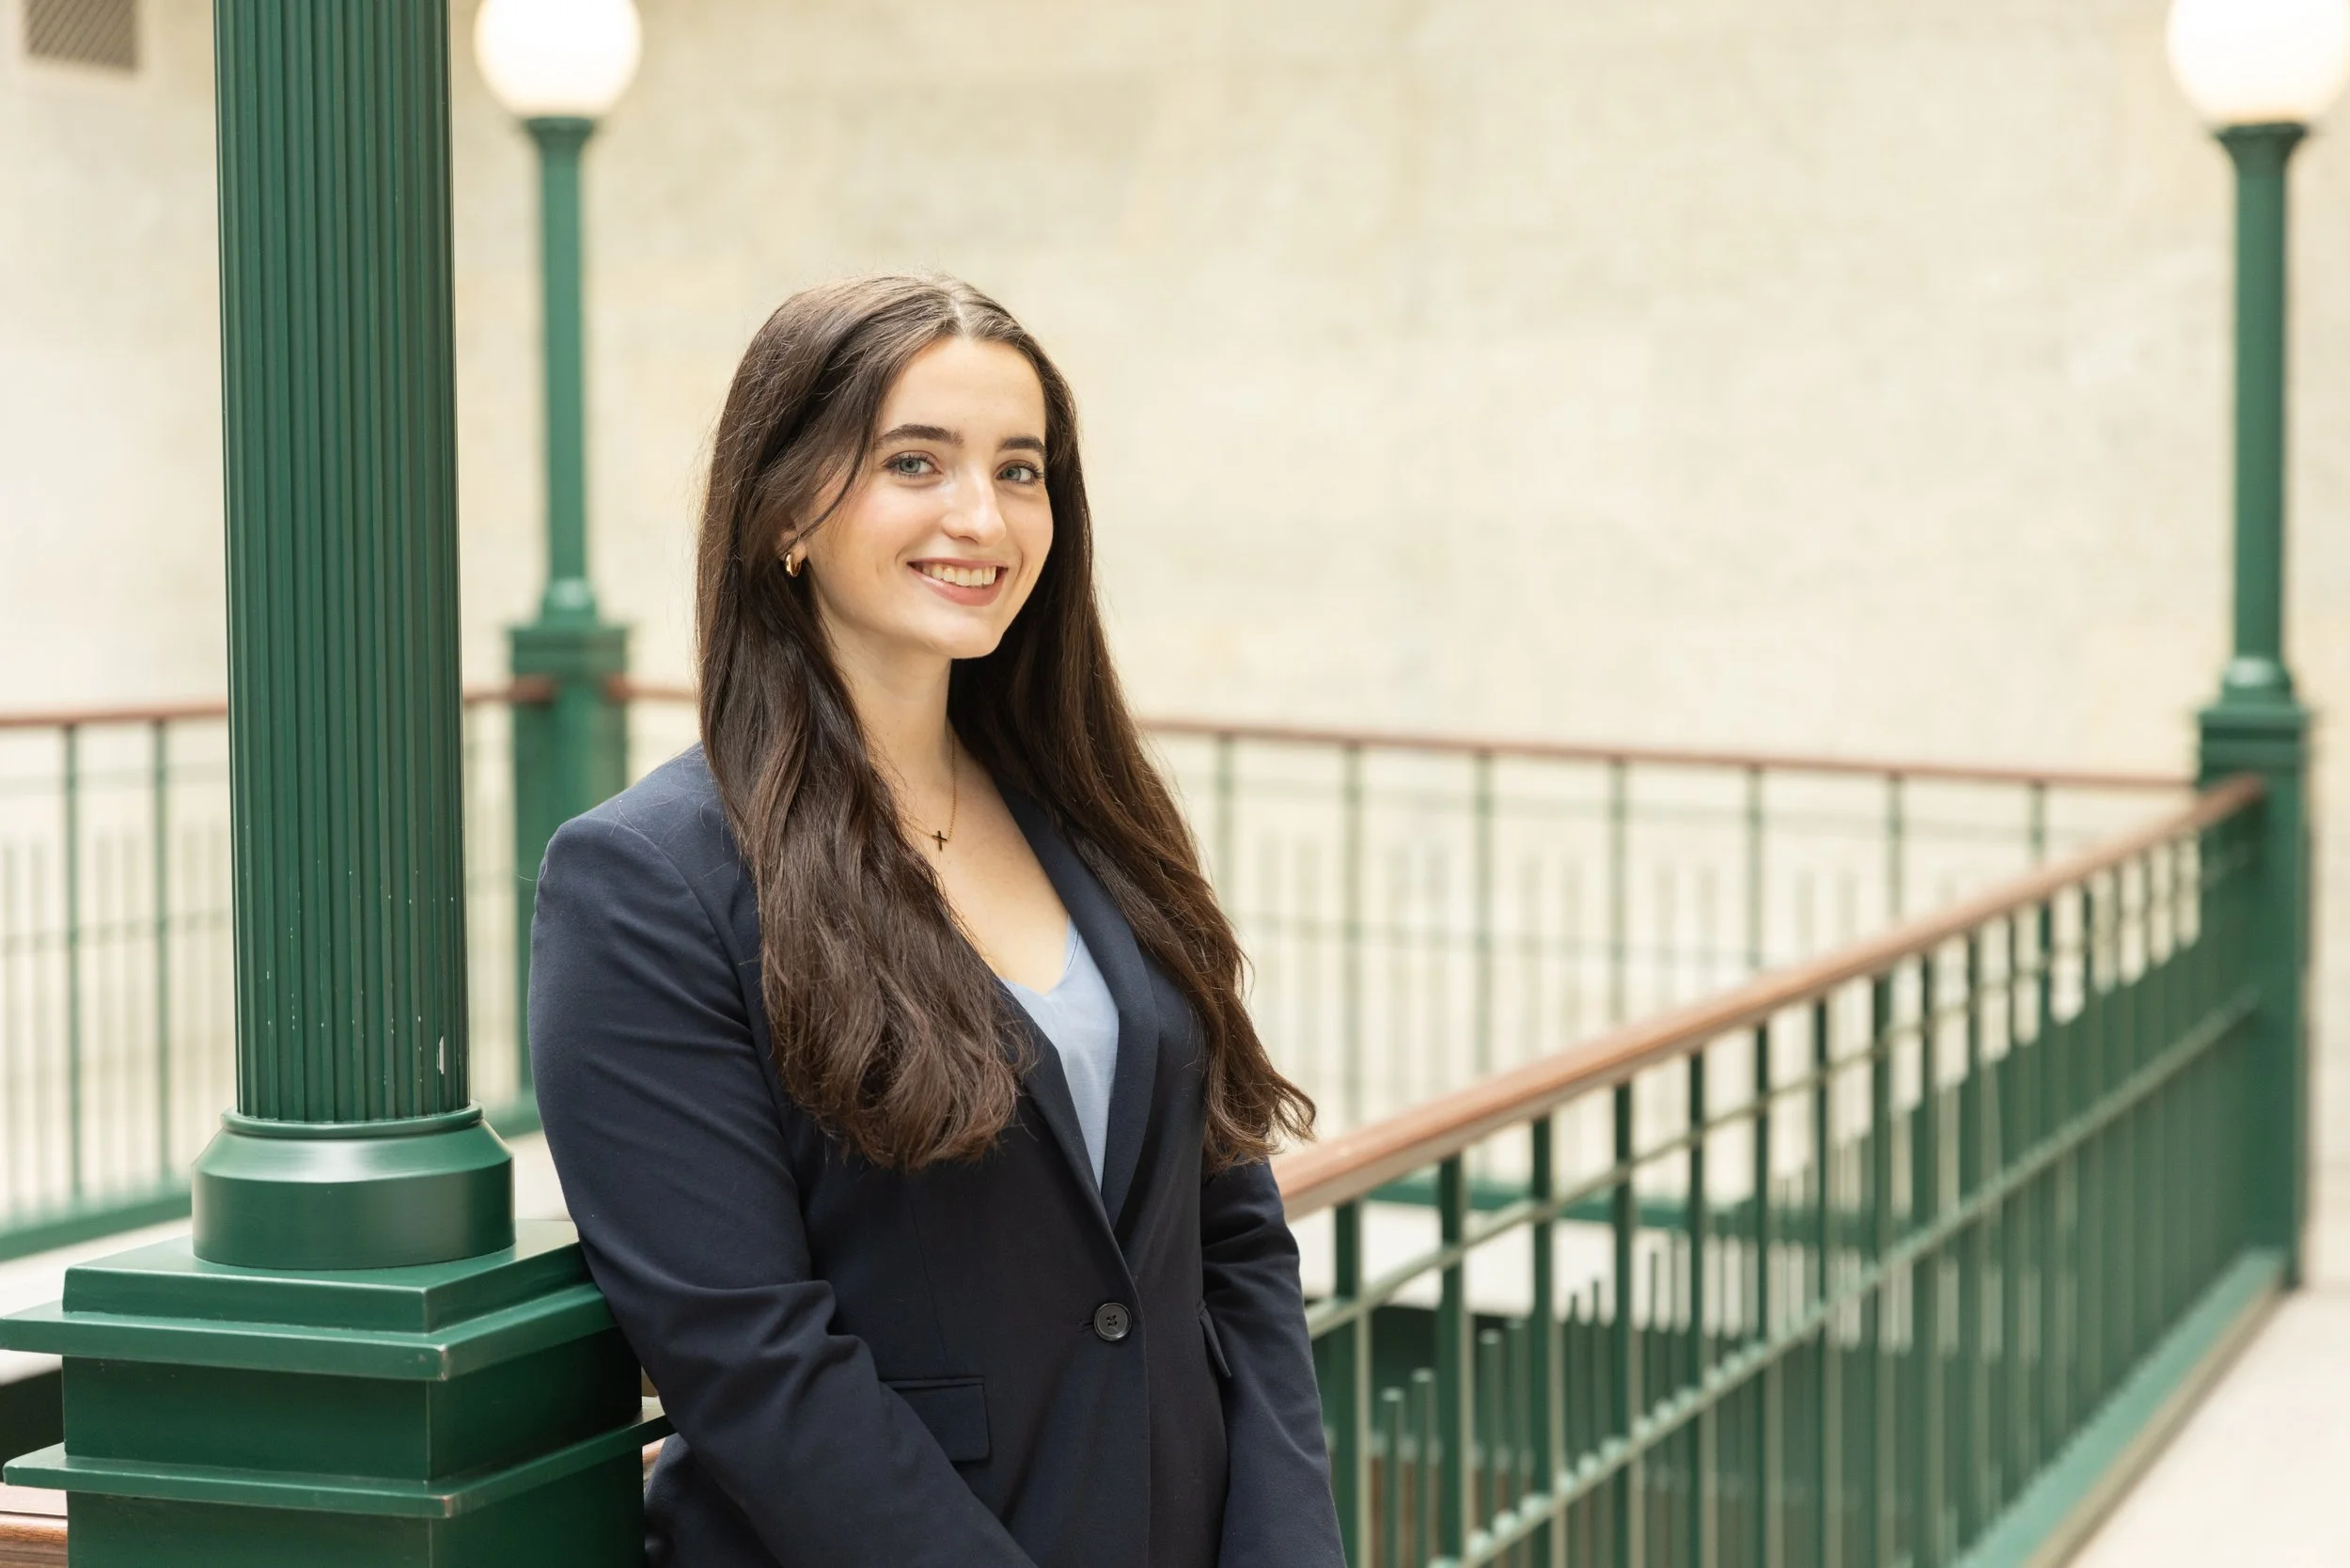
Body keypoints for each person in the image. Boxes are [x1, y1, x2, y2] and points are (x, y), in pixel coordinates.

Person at [529, 274, 1346, 1568]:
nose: (985, 516)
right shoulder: (647, 885)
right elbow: (753, 1365)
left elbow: (1231, 1234)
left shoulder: (1094, 815)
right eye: (918, 461)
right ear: (787, 505)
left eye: (1021, 471)